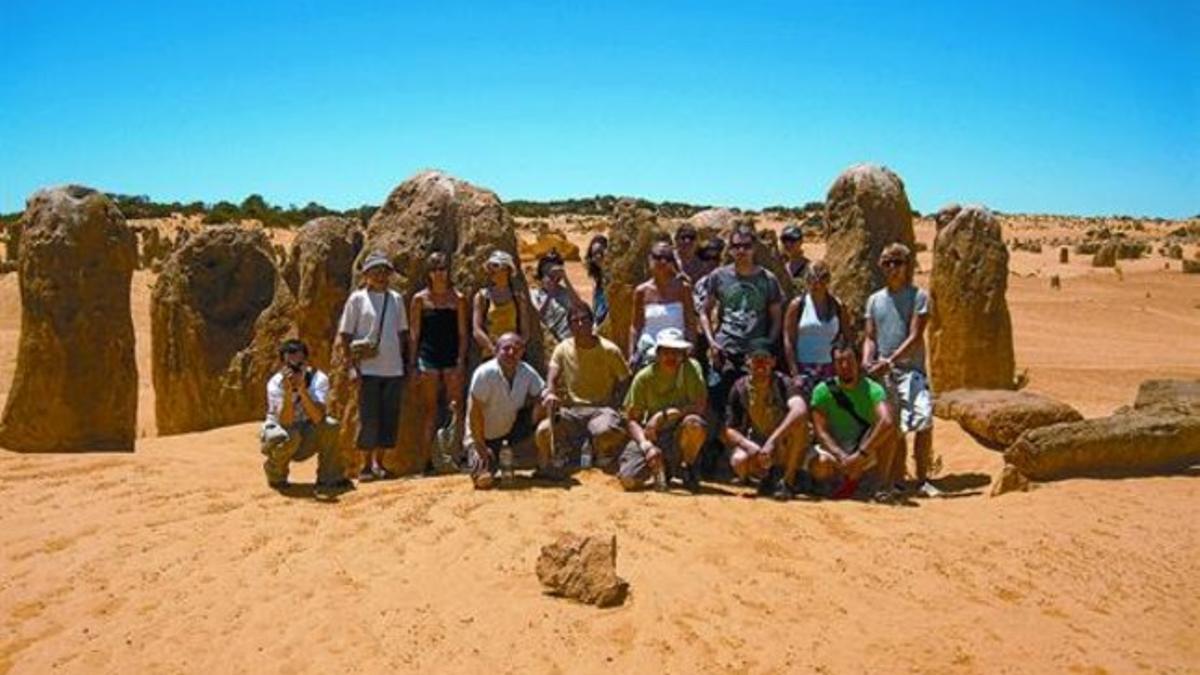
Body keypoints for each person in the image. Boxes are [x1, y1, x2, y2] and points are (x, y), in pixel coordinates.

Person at [863, 242, 941, 498]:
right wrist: (868, 359)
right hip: (885, 373)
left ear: (908, 265)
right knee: (894, 428)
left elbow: (916, 335)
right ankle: (896, 479)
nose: (892, 268)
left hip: (911, 370)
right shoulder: (874, 300)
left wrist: (891, 359)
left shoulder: (918, 297)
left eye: (898, 262)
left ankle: (923, 478)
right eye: (887, 262)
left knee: (923, 422)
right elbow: (870, 336)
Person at [700, 223, 785, 427]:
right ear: (730, 249)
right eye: (736, 246)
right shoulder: (719, 277)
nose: (741, 251)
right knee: (718, 396)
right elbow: (704, 311)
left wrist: (768, 344)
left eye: (746, 246)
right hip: (725, 348)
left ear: (754, 248)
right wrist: (712, 341)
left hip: (754, 352)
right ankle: (719, 443)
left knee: (754, 400)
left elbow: (776, 317)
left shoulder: (768, 280)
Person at [337, 252, 409, 482]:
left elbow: (403, 333)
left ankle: (380, 463)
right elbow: (346, 335)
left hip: (393, 368)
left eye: (384, 271)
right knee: (368, 418)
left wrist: (406, 362)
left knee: (389, 417)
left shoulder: (396, 299)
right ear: (366, 274)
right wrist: (350, 367)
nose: (380, 276)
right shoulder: (357, 300)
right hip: (367, 369)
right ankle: (366, 466)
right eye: (375, 271)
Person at [537, 303, 631, 472]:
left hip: (601, 409)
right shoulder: (563, 348)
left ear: (592, 321)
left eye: (584, 319)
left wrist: (615, 404)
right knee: (546, 428)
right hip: (573, 410)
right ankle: (561, 456)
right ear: (570, 326)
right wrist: (550, 392)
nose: (580, 324)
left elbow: (625, 379)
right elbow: (552, 375)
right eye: (575, 321)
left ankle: (602, 451)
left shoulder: (609, 350)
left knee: (605, 430)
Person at [616, 328, 709, 492]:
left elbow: (700, 405)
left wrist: (664, 414)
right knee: (629, 480)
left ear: (683, 355)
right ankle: (662, 468)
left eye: (676, 352)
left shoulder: (691, 369)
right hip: (653, 435)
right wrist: (646, 446)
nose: (671, 357)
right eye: (666, 352)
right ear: (657, 354)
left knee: (694, 424)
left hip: (678, 433)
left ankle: (689, 467)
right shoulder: (644, 377)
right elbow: (631, 419)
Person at [808, 338, 899, 500]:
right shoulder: (822, 391)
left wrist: (861, 454)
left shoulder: (873, 389)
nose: (844, 366)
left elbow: (887, 421)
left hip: (863, 447)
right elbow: (821, 432)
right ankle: (836, 484)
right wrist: (841, 456)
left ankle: (882, 486)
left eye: (849, 361)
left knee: (891, 433)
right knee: (820, 465)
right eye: (839, 361)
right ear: (833, 365)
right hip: (835, 450)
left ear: (858, 362)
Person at [722, 339, 810, 500]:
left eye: (765, 360)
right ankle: (765, 478)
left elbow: (800, 409)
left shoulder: (784, 383)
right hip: (759, 443)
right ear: (748, 361)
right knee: (739, 460)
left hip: (784, 443)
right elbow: (729, 429)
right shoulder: (740, 388)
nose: (761, 365)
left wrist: (773, 440)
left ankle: (788, 481)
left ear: (774, 362)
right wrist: (749, 446)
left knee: (800, 425)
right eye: (756, 360)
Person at [259, 339, 348, 496]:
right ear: (282, 365)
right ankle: (276, 474)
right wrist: (288, 392)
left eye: (299, 365)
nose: (295, 369)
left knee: (331, 426)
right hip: (284, 432)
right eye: (290, 365)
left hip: (306, 432)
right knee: (288, 436)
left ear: (307, 362)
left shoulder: (318, 379)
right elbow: (285, 422)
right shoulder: (275, 384)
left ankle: (329, 477)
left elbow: (319, 418)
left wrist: (301, 390)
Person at [465, 333, 552, 489]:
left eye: (516, 349)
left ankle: (544, 464)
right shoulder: (484, 374)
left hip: (510, 431)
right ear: (496, 351)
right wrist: (480, 446)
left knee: (547, 405)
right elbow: (474, 413)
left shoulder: (526, 371)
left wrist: (549, 395)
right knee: (484, 481)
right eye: (506, 349)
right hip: (482, 437)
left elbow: (543, 391)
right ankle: (486, 462)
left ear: (522, 352)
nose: (511, 353)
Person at [409, 252, 469, 473]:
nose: (439, 273)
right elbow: (415, 334)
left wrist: (461, 360)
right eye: (434, 269)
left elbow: (463, 333)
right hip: (428, 357)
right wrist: (413, 363)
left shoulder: (458, 299)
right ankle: (426, 461)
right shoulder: (420, 300)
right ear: (428, 273)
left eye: (442, 268)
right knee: (431, 410)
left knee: (456, 407)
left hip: (451, 357)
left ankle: (456, 456)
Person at [783, 260, 852, 400]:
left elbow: (847, 337)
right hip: (804, 368)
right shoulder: (797, 305)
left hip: (830, 369)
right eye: (811, 278)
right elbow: (788, 339)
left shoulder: (838, 306)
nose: (817, 283)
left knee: (829, 411)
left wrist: (844, 365)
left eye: (822, 278)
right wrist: (794, 372)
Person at [628, 240, 698, 369]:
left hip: (676, 352)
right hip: (649, 354)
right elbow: (635, 326)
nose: (662, 262)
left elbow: (690, 322)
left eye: (667, 258)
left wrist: (691, 348)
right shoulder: (641, 291)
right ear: (650, 259)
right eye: (658, 257)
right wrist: (632, 353)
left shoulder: (683, 289)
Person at [472, 250, 530, 359]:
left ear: (506, 269)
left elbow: (525, 331)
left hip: (514, 355)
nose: (490, 270)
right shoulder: (482, 297)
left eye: (495, 266)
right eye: (489, 266)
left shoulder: (518, 297)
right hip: (490, 355)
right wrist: (493, 349)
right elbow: (477, 330)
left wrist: (514, 349)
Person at [531, 250, 582, 343]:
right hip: (549, 340)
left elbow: (580, 306)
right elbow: (536, 316)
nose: (550, 277)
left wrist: (565, 278)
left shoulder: (565, 292)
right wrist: (549, 295)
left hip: (568, 338)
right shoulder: (534, 294)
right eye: (547, 272)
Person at [585, 235, 610, 326]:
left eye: (601, 251)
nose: (598, 256)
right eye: (594, 254)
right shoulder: (598, 284)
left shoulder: (616, 278)